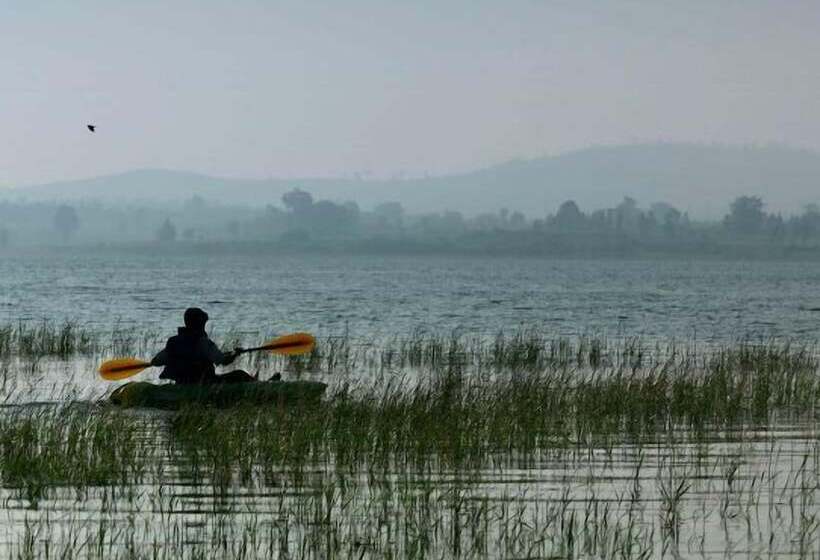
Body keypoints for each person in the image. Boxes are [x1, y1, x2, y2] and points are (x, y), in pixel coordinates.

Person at [151, 307, 256, 384]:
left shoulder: (173, 342)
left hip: (182, 383)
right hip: (204, 383)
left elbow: (156, 362)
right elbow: (224, 361)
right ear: (198, 324)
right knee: (239, 374)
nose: (204, 326)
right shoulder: (203, 342)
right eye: (203, 323)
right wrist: (235, 354)